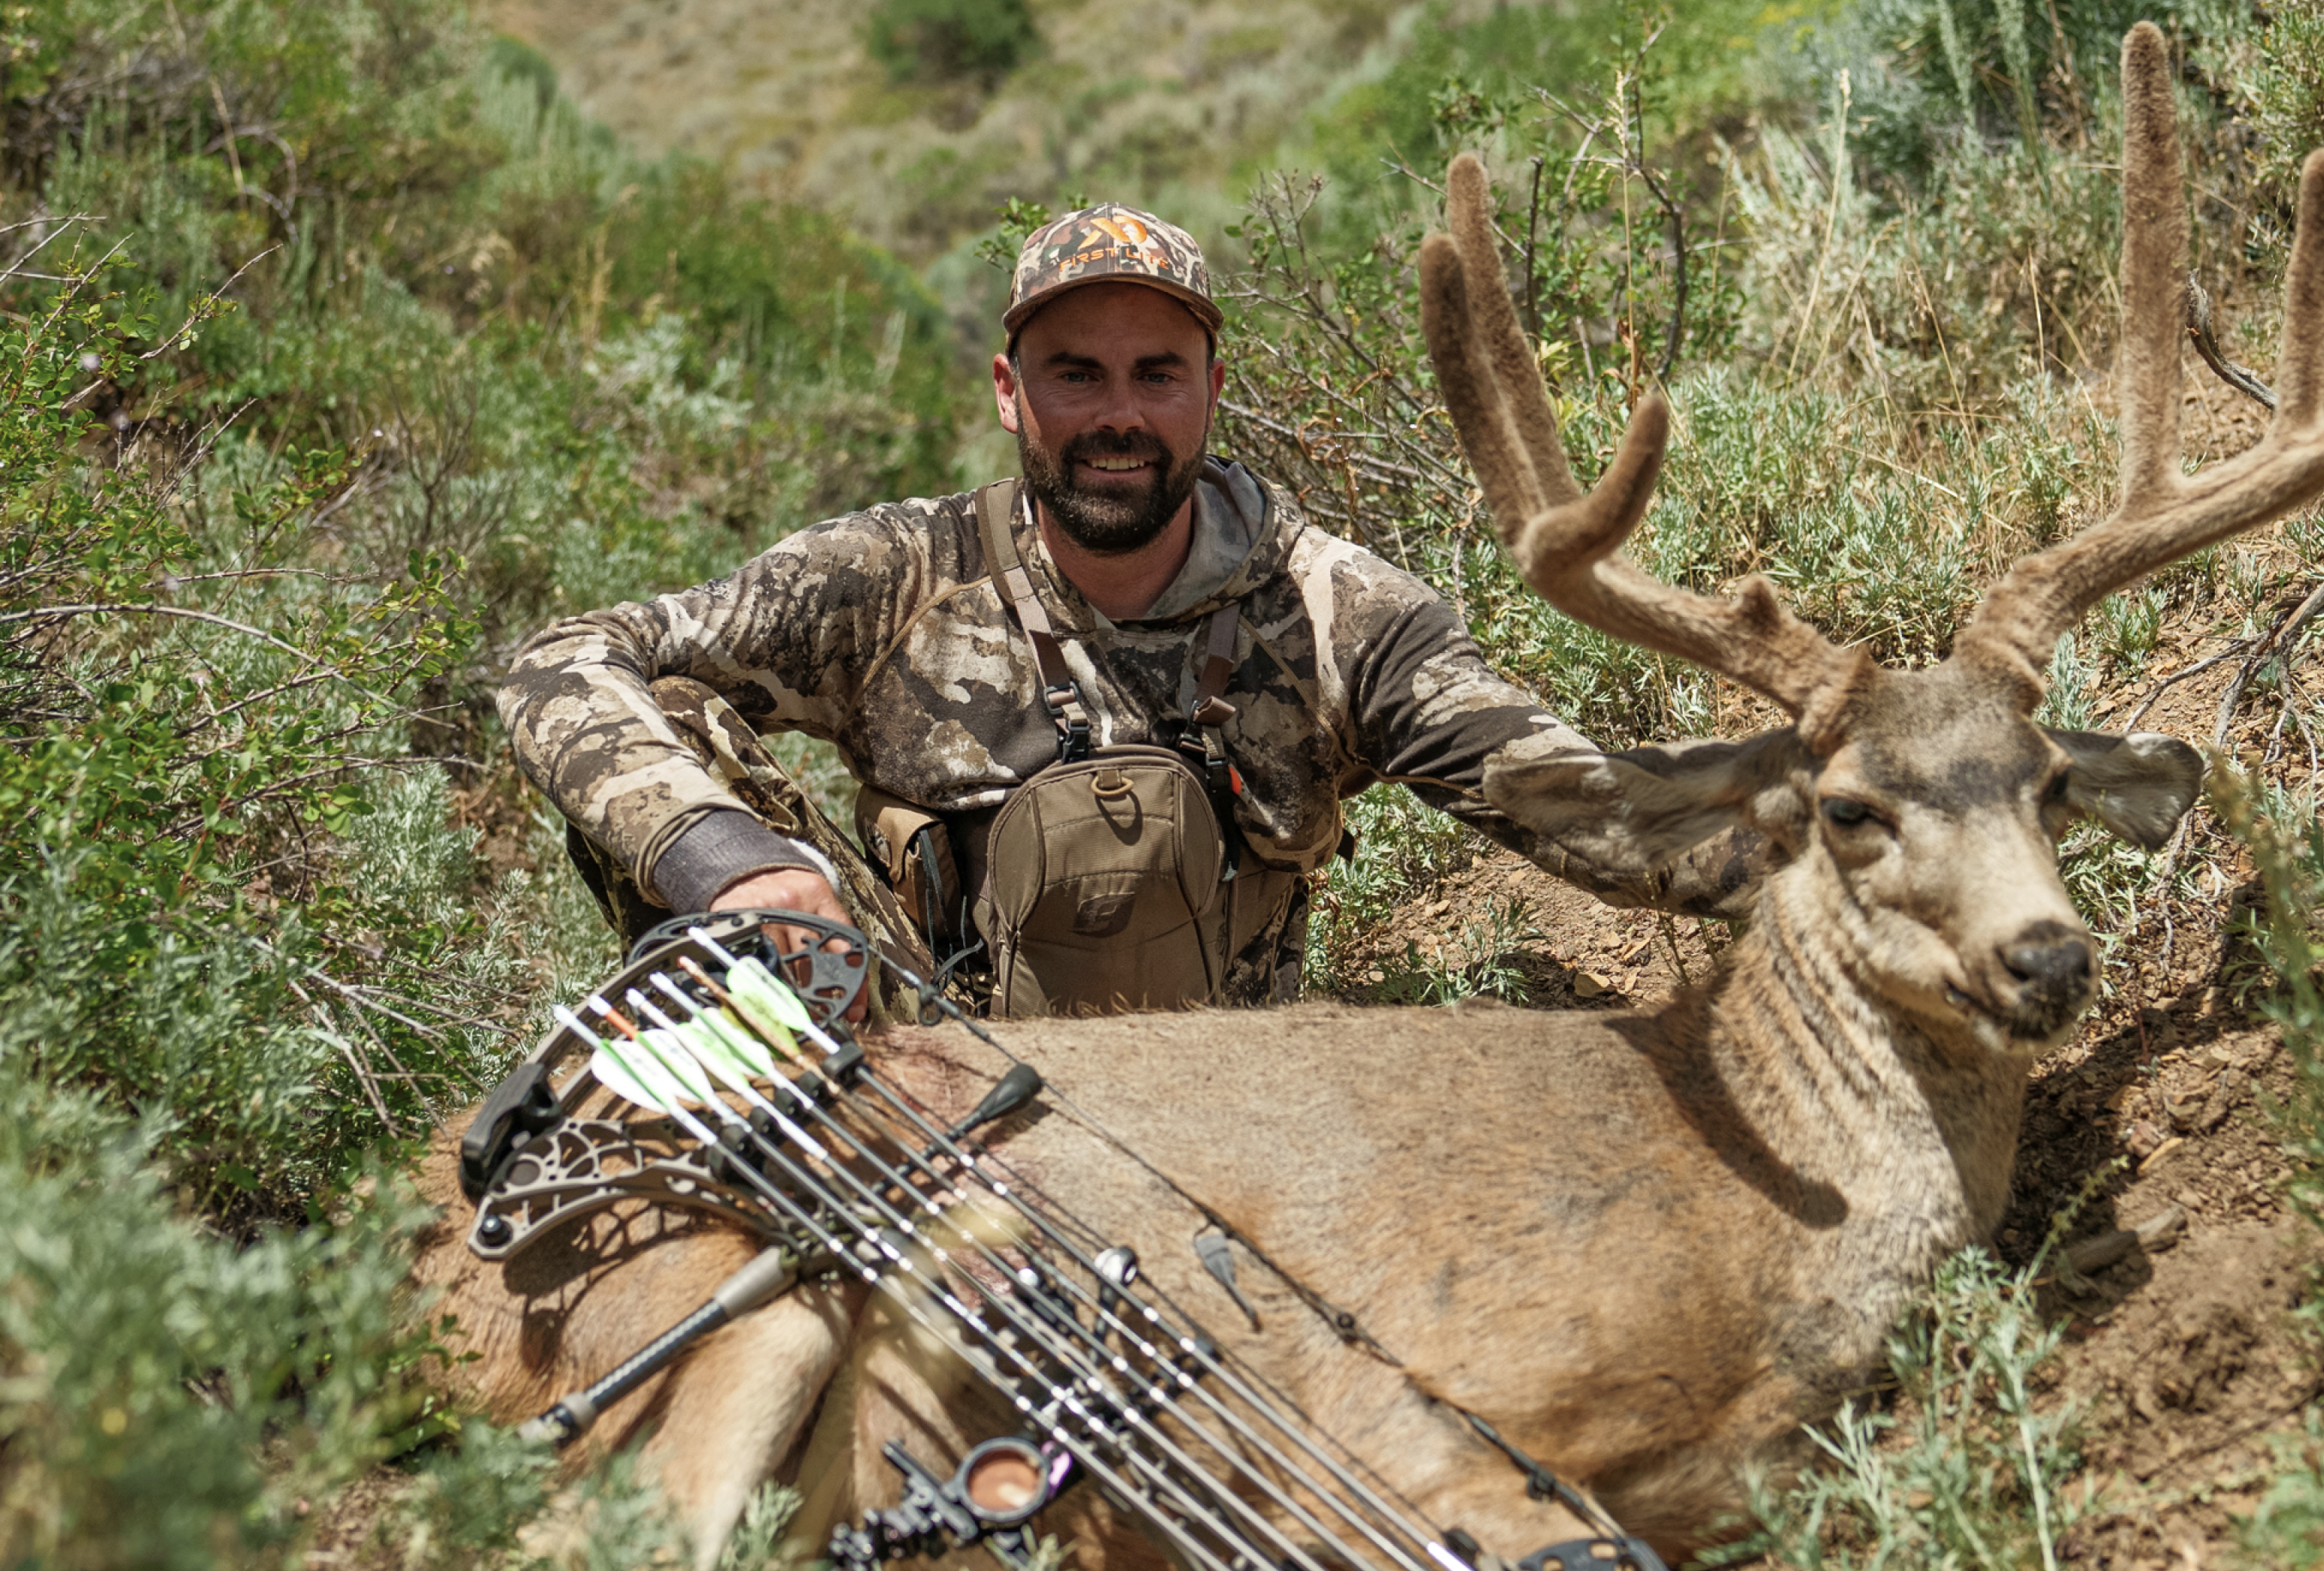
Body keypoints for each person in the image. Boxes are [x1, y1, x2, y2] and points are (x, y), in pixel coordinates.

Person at [499, 202, 1751, 1018]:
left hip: (1232, 1103)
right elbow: (558, 663)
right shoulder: (895, 577)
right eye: (1074, 373)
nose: (1119, 416)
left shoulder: (1335, 610)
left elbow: (1581, 808)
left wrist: (1835, 855)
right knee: (666, 716)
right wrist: (736, 872)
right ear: (1009, 390)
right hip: (929, 1078)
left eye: (1158, 374)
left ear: (1211, 390)